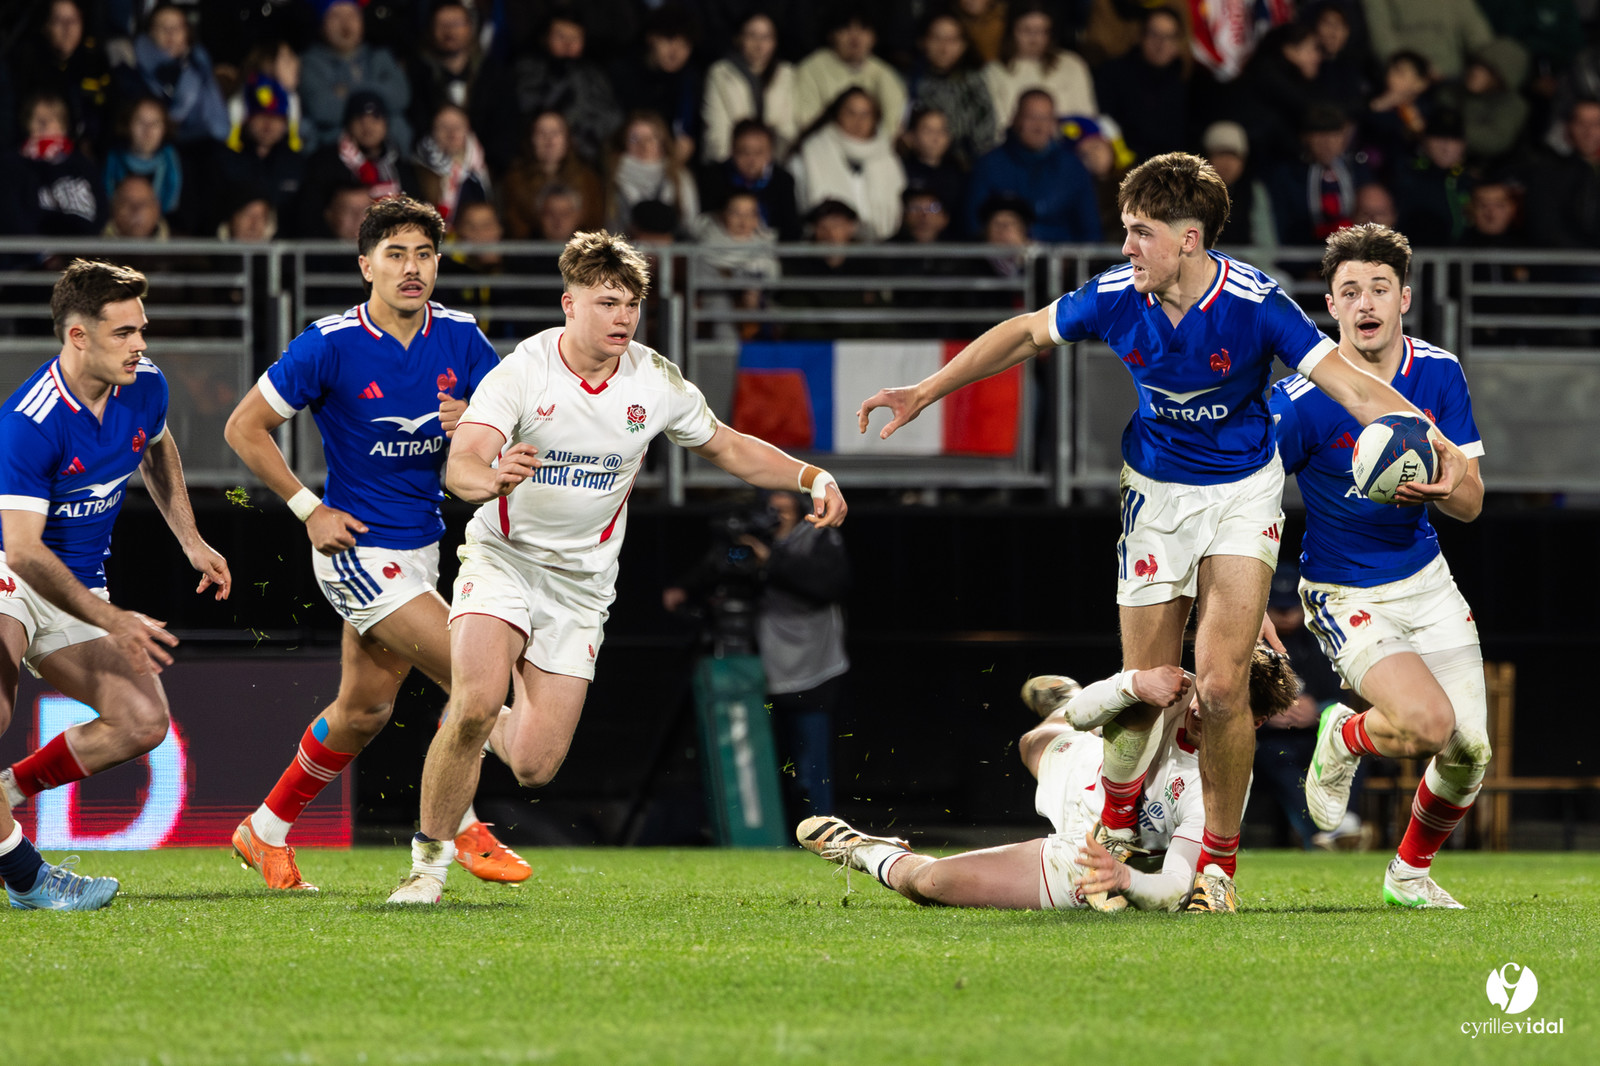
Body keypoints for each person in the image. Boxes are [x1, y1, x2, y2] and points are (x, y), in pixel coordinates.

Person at [856, 151, 1469, 913]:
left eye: (1141, 232)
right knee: (1146, 687)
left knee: (1221, 686)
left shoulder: (1255, 302)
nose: (1127, 247)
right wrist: (926, 390)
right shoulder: (1117, 295)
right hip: (1154, 497)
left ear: (1189, 239)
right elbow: (1024, 334)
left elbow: (1348, 384)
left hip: (1242, 493)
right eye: (1126, 230)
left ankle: (1217, 870)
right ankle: (1118, 828)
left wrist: (1429, 436)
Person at [385, 230, 848, 903]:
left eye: (631, 304)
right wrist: (490, 479)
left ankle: (465, 725)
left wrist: (810, 475)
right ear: (569, 303)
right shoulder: (522, 371)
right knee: (479, 700)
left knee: (535, 766)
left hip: (581, 588)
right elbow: (463, 462)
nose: (622, 317)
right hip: (505, 560)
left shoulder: (653, 379)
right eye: (607, 302)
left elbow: (726, 446)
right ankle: (427, 867)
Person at [222, 196, 527, 891]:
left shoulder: (463, 338)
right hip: (356, 553)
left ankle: (264, 830)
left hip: (424, 548)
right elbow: (243, 426)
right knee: (473, 680)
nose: (411, 268)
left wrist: (476, 423)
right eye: (395, 255)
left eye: (423, 254)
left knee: (363, 712)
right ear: (367, 266)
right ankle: (462, 829)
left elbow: (511, 431)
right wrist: (309, 509)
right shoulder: (329, 342)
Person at [0, 259, 231, 908]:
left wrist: (191, 539)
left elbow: (157, 447)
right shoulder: (30, 421)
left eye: (142, 329)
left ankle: (7, 792)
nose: (140, 345)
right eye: (124, 332)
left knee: (142, 722)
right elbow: (23, 551)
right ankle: (27, 876)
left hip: (77, 581)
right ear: (78, 337)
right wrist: (112, 619)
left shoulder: (145, 384)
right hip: (10, 571)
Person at [1272, 223, 1487, 908]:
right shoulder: (1300, 400)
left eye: (1380, 288)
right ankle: (1344, 730)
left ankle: (1408, 876)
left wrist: (1446, 486)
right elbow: (1247, 503)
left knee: (1470, 754)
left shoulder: (1439, 373)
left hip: (1427, 581)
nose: (1365, 302)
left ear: (1404, 299)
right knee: (1429, 726)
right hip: (1345, 592)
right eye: (1350, 291)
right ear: (1331, 306)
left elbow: (1473, 504)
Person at [797, 646, 1297, 912]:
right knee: (1036, 741)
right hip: (1088, 767)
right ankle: (1065, 699)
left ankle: (866, 851)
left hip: (1088, 852)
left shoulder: (1219, 787)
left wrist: (1124, 879)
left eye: (1222, 707)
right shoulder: (1178, 689)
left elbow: (1175, 887)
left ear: (1252, 722)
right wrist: (1131, 684)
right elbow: (1085, 717)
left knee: (931, 883)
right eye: (1205, 695)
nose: (1201, 709)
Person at [964, 89, 1100, 243]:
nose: (1038, 126)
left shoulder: (1073, 168)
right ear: (1015, 119)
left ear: (1054, 123)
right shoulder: (988, 165)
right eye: (1031, 117)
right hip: (1001, 255)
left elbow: (1091, 232)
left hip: (1062, 256)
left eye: (1045, 118)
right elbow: (972, 226)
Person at [790, 88, 905, 242]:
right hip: (826, 246)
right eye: (851, 113)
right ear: (837, 115)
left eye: (865, 114)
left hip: (882, 246)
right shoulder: (810, 154)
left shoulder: (888, 158)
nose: (858, 122)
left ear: (875, 119)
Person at [700, 12, 799, 164]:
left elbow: (788, 127)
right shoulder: (721, 73)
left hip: (775, 163)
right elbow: (716, 129)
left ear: (775, 42)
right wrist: (737, 166)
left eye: (766, 37)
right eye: (752, 36)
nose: (759, 44)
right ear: (739, 38)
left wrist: (772, 166)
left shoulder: (786, 74)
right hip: (730, 163)